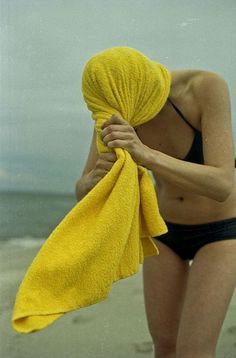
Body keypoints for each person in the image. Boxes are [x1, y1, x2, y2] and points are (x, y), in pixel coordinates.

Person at [75, 68, 236, 358]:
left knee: (194, 350)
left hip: (221, 230)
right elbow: (82, 192)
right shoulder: (116, 108)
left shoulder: (205, 87)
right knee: (165, 345)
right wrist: (93, 180)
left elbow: (223, 184)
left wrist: (145, 154)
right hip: (163, 230)